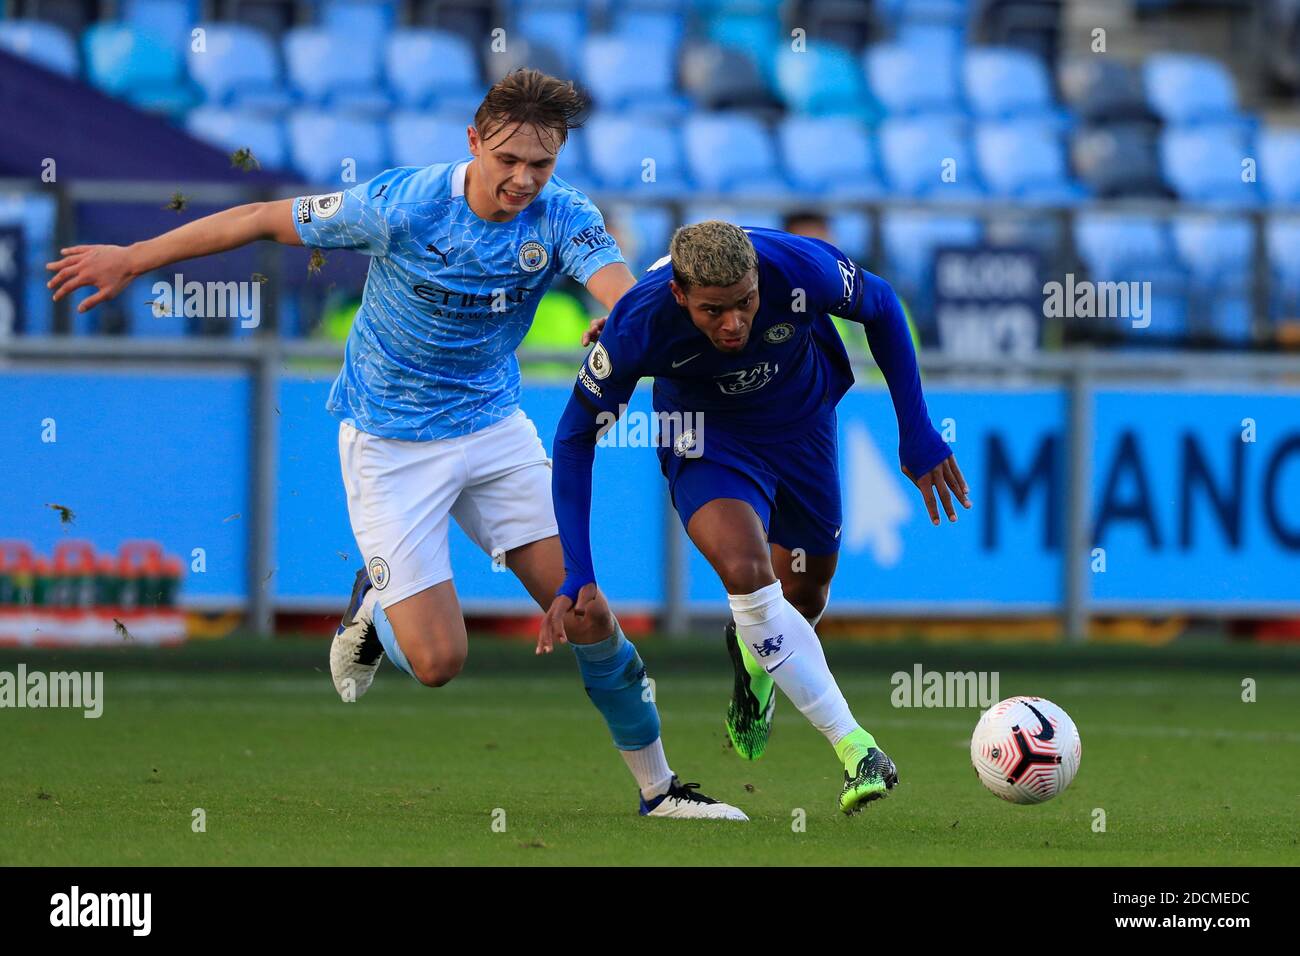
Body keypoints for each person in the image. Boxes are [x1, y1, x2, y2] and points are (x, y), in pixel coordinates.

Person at [44, 70, 745, 821]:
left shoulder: (563, 216)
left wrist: (628, 318)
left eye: (540, 165)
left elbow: (622, 288)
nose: (522, 179)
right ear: (473, 142)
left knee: (588, 612)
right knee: (441, 663)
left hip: (492, 429)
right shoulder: (402, 206)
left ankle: (659, 790)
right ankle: (374, 607)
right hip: (391, 443)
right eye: (507, 160)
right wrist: (133, 257)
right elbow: (255, 216)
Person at [542, 221, 971, 814]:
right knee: (747, 571)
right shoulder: (639, 323)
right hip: (705, 437)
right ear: (680, 297)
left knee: (808, 585)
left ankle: (752, 656)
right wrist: (578, 570)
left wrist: (917, 431)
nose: (734, 323)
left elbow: (882, 305)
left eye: (745, 303)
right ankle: (857, 749)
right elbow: (572, 440)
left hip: (802, 424)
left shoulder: (799, 266)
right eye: (713, 311)